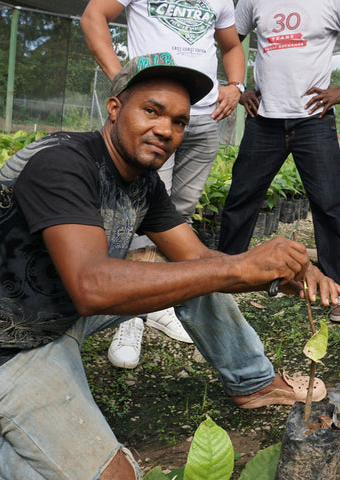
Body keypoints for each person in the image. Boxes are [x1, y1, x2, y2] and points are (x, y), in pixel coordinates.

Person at [0, 53, 340, 480]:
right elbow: (91, 286)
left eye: (178, 122)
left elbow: (195, 258)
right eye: (151, 111)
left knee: (192, 273)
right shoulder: (60, 163)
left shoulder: (141, 179)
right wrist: (237, 269)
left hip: (57, 309)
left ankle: (253, 383)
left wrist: (273, 272)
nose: (166, 130)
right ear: (115, 108)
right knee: (118, 478)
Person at [80, 0, 246, 368]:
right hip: (152, 117)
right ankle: (132, 317)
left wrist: (236, 84)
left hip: (201, 120)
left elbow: (232, 45)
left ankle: (162, 303)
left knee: (176, 215)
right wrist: (125, 84)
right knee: (142, 214)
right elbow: (93, 16)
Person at [217, 0, 340, 323]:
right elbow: (228, 39)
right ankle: (220, 285)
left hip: (314, 120)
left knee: (329, 205)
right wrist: (240, 87)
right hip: (263, 118)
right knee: (240, 200)